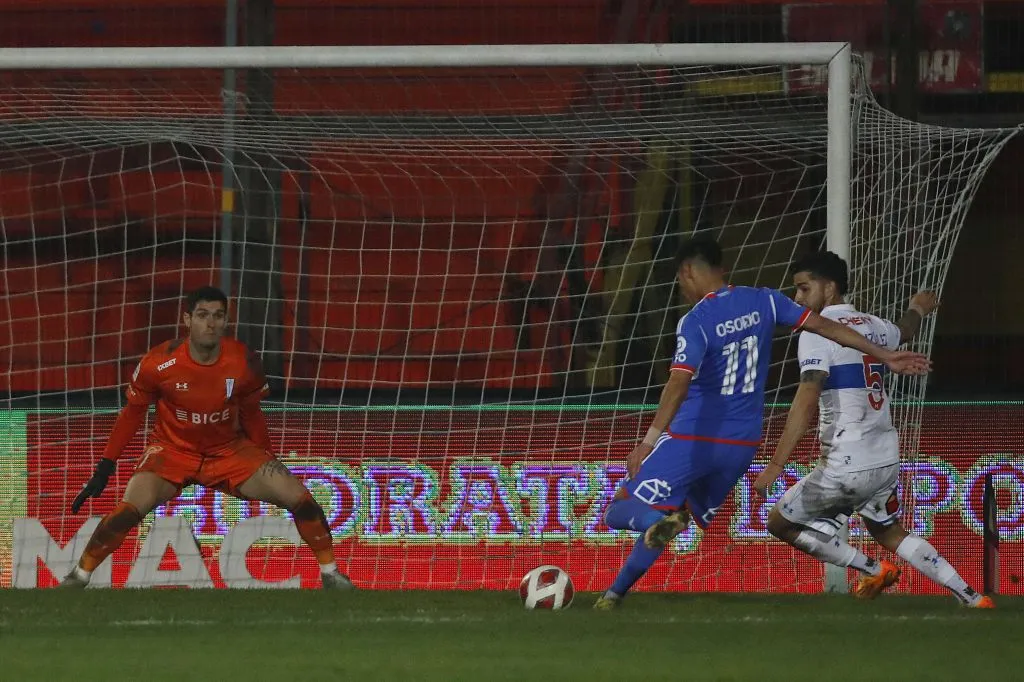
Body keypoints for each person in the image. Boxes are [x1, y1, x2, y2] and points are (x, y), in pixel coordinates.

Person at [594, 237, 930, 609]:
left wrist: (648, 440)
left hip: (692, 437)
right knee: (678, 515)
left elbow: (678, 381)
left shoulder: (697, 320)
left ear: (688, 272)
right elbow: (824, 326)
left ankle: (650, 524)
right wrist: (885, 354)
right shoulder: (765, 300)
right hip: (741, 444)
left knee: (619, 508)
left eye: (680, 280)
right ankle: (613, 595)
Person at [62, 285, 353, 590]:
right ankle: (78, 577)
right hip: (172, 451)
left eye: (217, 315)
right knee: (126, 512)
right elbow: (132, 414)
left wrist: (266, 455)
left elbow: (252, 412)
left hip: (229, 452)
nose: (210, 323)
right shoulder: (159, 363)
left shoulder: (243, 361)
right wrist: (105, 467)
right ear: (187, 319)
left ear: (226, 321)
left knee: (302, 500)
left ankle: (331, 574)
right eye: (202, 315)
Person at [753, 251, 992, 607]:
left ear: (829, 288)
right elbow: (906, 330)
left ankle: (871, 568)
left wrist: (776, 464)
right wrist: (919, 308)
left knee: (779, 523)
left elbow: (805, 400)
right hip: (884, 457)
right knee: (889, 530)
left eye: (804, 289)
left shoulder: (816, 332)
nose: (797, 299)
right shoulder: (875, 326)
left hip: (845, 461)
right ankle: (972, 597)